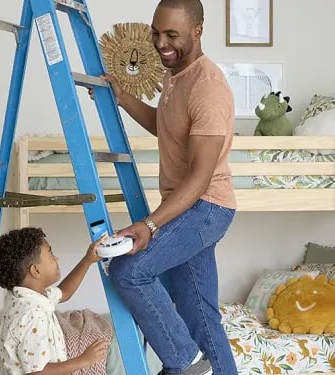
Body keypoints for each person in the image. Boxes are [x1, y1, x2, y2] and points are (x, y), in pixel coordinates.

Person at [93, 1, 238, 374]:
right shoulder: (177, 74)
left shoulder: (208, 88)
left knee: (128, 270)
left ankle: (184, 363)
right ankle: (196, 362)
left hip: (205, 207)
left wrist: (151, 224)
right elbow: (166, 125)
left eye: (171, 35)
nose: (161, 43)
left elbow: (200, 179)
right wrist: (123, 98)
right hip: (187, 204)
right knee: (201, 318)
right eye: (156, 32)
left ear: (197, 31)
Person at [0, 227, 110, 375]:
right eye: (51, 253)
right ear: (36, 271)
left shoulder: (27, 295)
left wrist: (87, 260)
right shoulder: (32, 314)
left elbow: (65, 292)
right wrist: (84, 360)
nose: (56, 258)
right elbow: (36, 373)